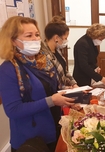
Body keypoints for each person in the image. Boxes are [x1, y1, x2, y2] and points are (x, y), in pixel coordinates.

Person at [0, 16, 75, 151]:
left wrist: (67, 93)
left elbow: (50, 89)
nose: (35, 39)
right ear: (13, 40)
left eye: (37, 34)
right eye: (29, 36)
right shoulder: (8, 69)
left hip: (52, 126)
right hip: (31, 138)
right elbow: (13, 110)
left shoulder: (43, 61)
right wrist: (51, 101)